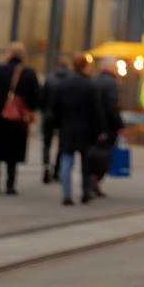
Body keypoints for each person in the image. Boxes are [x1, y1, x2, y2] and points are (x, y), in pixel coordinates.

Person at [0, 42, 40, 195]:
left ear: (9, 54)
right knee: (13, 152)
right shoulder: (29, 73)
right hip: (18, 120)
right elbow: (36, 97)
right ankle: (10, 184)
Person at [51, 54, 101, 205]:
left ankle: (67, 194)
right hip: (86, 129)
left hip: (67, 127)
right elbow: (96, 110)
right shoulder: (91, 85)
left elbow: (55, 108)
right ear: (86, 66)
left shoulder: (63, 84)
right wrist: (99, 129)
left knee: (66, 161)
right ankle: (86, 192)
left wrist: (58, 125)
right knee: (86, 162)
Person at [91, 58, 124, 198]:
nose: (117, 68)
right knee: (105, 156)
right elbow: (112, 107)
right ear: (109, 67)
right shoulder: (112, 83)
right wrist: (119, 125)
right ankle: (95, 181)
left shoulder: (94, 80)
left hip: (94, 125)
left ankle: (93, 181)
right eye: (116, 66)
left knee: (95, 155)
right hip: (108, 126)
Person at [40, 59, 69, 184]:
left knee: (47, 143)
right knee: (62, 144)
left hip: (49, 116)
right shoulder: (69, 81)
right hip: (64, 118)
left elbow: (42, 99)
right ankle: (57, 169)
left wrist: (45, 111)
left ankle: (46, 165)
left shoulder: (49, 80)